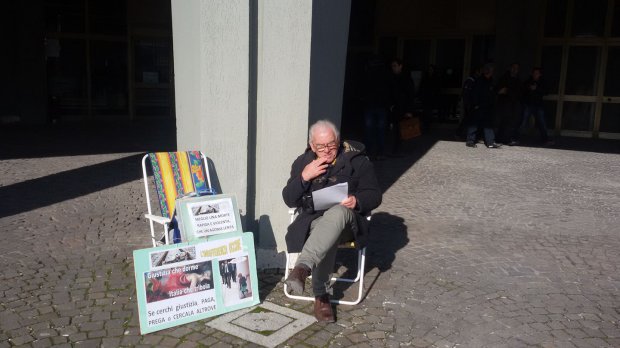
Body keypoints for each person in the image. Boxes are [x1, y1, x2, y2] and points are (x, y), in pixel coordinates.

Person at [282, 120, 382, 322]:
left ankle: (306, 274)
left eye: (331, 145)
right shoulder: (303, 163)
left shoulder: (357, 161)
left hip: (347, 223)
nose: (326, 150)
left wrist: (357, 200)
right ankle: (320, 292)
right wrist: (304, 177)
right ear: (312, 145)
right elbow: (288, 198)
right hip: (313, 222)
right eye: (320, 146)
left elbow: (374, 195)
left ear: (338, 140)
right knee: (324, 230)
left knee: (337, 213)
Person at [361, 55, 391, 160]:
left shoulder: (368, 73)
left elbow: (363, 88)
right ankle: (380, 152)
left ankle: (368, 152)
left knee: (369, 130)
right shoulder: (386, 74)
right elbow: (388, 90)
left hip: (370, 104)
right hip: (381, 105)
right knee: (381, 130)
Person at [465, 63, 501, 148]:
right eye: (491, 70)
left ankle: (490, 143)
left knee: (488, 124)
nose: (492, 72)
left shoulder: (492, 81)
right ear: (487, 71)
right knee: (474, 123)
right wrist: (476, 104)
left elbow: (492, 93)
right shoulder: (479, 81)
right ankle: (470, 141)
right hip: (479, 106)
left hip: (488, 106)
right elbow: (475, 94)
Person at [518, 67, 552, 145]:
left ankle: (545, 139)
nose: (535, 75)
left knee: (542, 122)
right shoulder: (528, 82)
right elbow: (522, 91)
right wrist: (529, 89)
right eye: (534, 73)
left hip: (538, 105)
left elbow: (546, 92)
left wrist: (537, 89)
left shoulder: (542, 82)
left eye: (537, 73)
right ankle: (516, 138)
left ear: (540, 74)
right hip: (528, 105)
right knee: (523, 122)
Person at [388, 58, 415, 156]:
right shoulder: (392, 78)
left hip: (403, 109)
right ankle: (396, 150)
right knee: (396, 131)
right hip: (395, 109)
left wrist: (409, 110)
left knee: (403, 131)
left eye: (395, 66)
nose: (393, 68)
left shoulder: (406, 79)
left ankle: (401, 150)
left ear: (400, 66)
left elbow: (411, 95)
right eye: (392, 66)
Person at [495, 63, 523, 144]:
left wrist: (508, 91)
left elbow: (519, 92)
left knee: (508, 122)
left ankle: (501, 138)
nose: (515, 70)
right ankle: (504, 139)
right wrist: (506, 91)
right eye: (513, 68)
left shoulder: (518, 80)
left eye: (516, 68)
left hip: (513, 104)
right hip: (504, 104)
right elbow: (500, 90)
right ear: (510, 68)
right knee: (505, 122)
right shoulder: (504, 78)